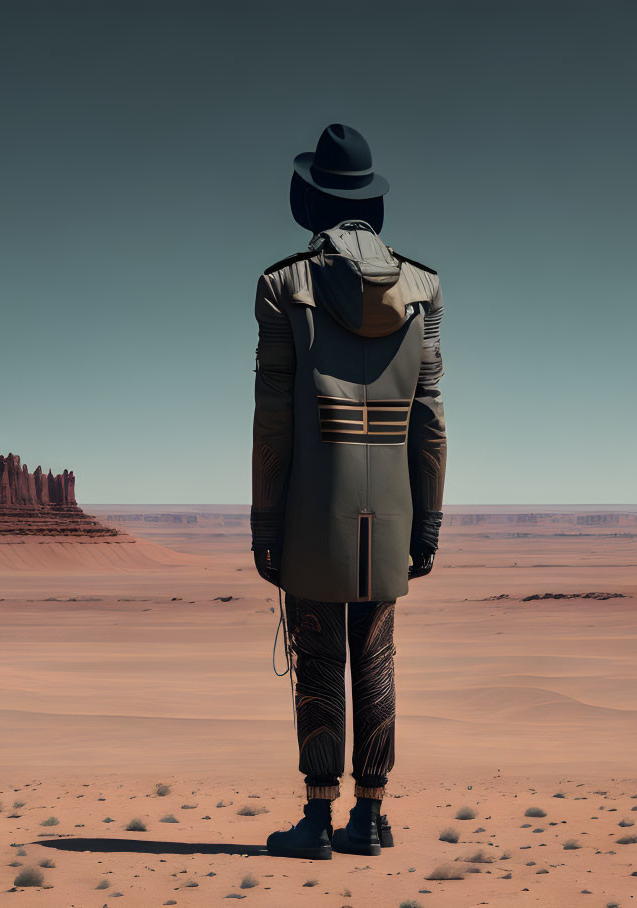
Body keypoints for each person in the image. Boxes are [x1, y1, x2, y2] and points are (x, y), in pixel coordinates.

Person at [252, 123, 447, 859]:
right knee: (375, 656)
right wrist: (427, 522)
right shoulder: (423, 287)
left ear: (309, 202)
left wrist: (263, 521)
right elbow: (427, 418)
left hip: (309, 510)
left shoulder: (284, 285)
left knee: (317, 656)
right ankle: (371, 816)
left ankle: (318, 820)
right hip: (392, 511)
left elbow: (272, 421)